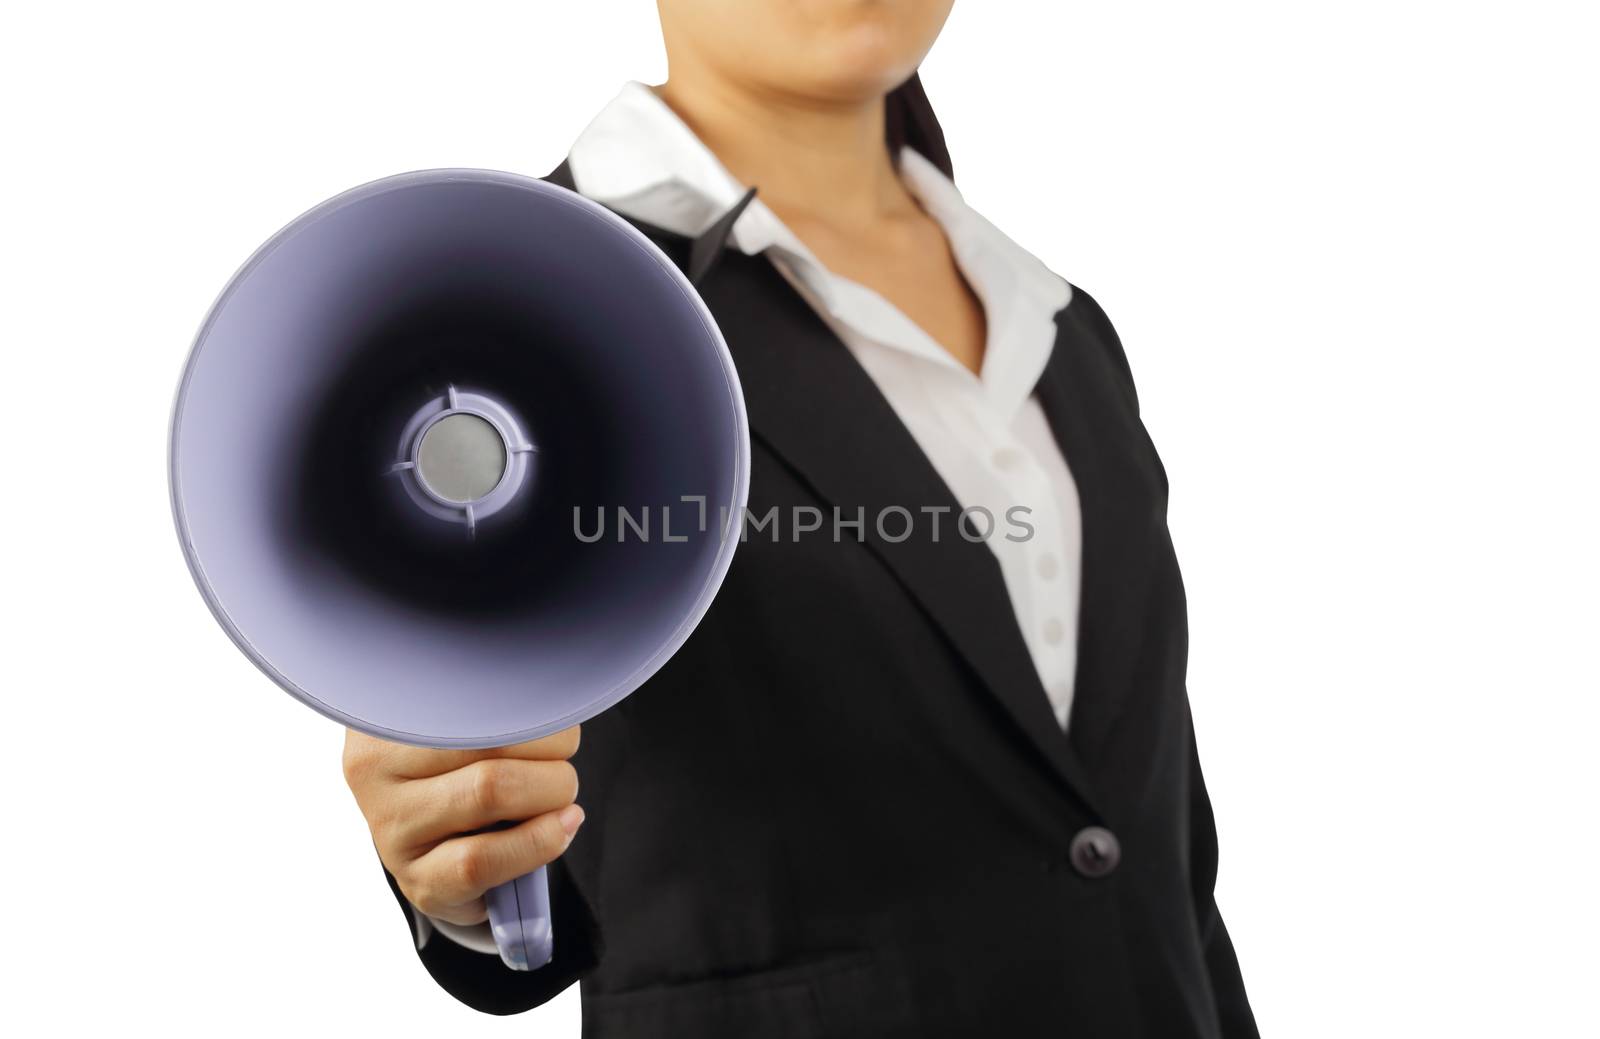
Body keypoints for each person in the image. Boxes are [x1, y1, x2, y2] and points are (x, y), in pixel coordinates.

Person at [341, 2, 1258, 1035]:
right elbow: (502, 790)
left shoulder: (1066, 327)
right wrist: (467, 870)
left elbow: (1156, 840)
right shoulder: (520, 313)